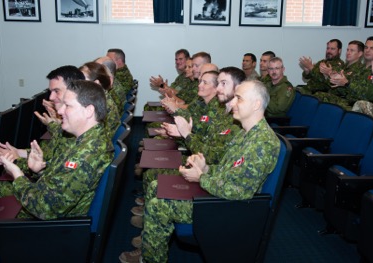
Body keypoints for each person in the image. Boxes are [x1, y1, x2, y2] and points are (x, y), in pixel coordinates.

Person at [119, 80, 280, 263]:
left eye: (239, 98)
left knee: (159, 203)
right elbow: (228, 170)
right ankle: (149, 248)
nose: (232, 103)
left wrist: (202, 178)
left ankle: (150, 259)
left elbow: (239, 191)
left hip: (228, 207)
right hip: (221, 194)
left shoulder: (262, 143)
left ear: (256, 104)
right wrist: (205, 167)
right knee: (158, 184)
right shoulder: (247, 133)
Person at [0, 80, 113, 220]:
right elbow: (61, 180)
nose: (59, 111)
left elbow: (45, 210)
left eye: (68, 106)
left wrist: (16, 174)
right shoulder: (88, 140)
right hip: (47, 201)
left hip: (49, 226)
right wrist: (39, 170)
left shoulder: (85, 155)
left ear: (89, 110)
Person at [313, 40, 365, 109]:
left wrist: (330, 74)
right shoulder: (344, 67)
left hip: (347, 101)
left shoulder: (360, 70)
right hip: (333, 95)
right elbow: (331, 85)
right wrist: (327, 75)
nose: (348, 53)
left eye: (352, 50)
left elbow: (352, 92)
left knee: (318, 96)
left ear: (360, 54)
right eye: (347, 50)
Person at [79, 61, 120, 139]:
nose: (78, 85)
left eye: (83, 82)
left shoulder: (98, 105)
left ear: (96, 84)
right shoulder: (102, 98)